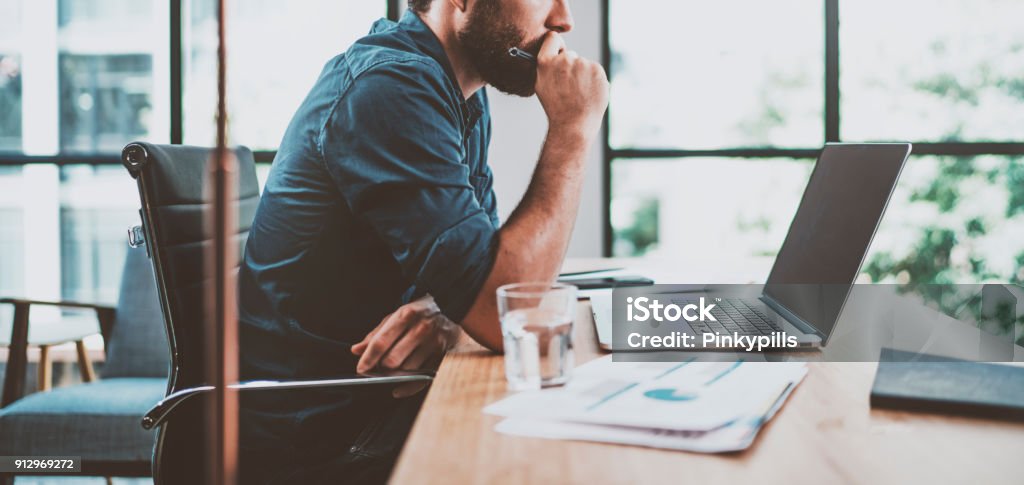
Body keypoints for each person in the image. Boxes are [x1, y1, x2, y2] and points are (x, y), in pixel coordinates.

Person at [237, 0, 608, 482]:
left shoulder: (458, 95)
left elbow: (485, 273)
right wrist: (573, 130)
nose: (564, 20)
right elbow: (507, 313)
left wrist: (446, 311)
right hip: (320, 441)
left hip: (377, 404)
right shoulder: (391, 88)